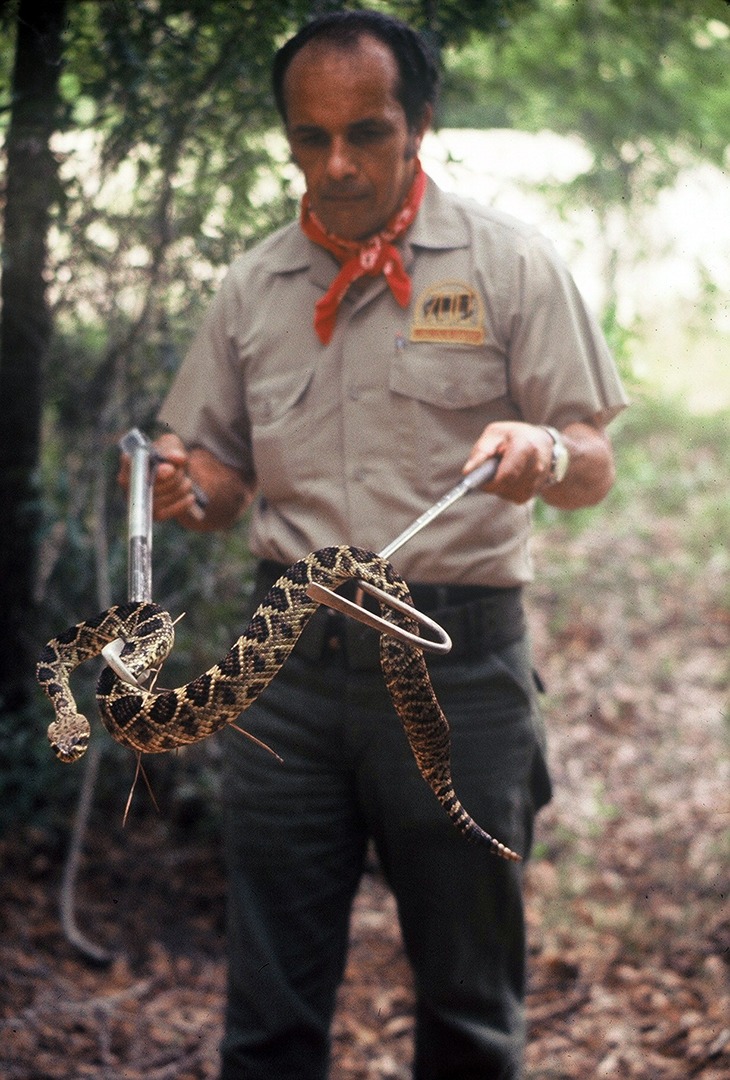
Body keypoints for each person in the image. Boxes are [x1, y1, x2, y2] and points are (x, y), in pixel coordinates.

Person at [122, 11, 627, 1079]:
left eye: (366, 132)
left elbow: (592, 460)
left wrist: (543, 449)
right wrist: (182, 487)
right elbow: (217, 478)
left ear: (420, 123)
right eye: (310, 138)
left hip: (458, 669)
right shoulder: (253, 287)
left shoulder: (510, 264)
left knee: (469, 1013)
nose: (337, 164)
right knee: (268, 1015)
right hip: (285, 677)